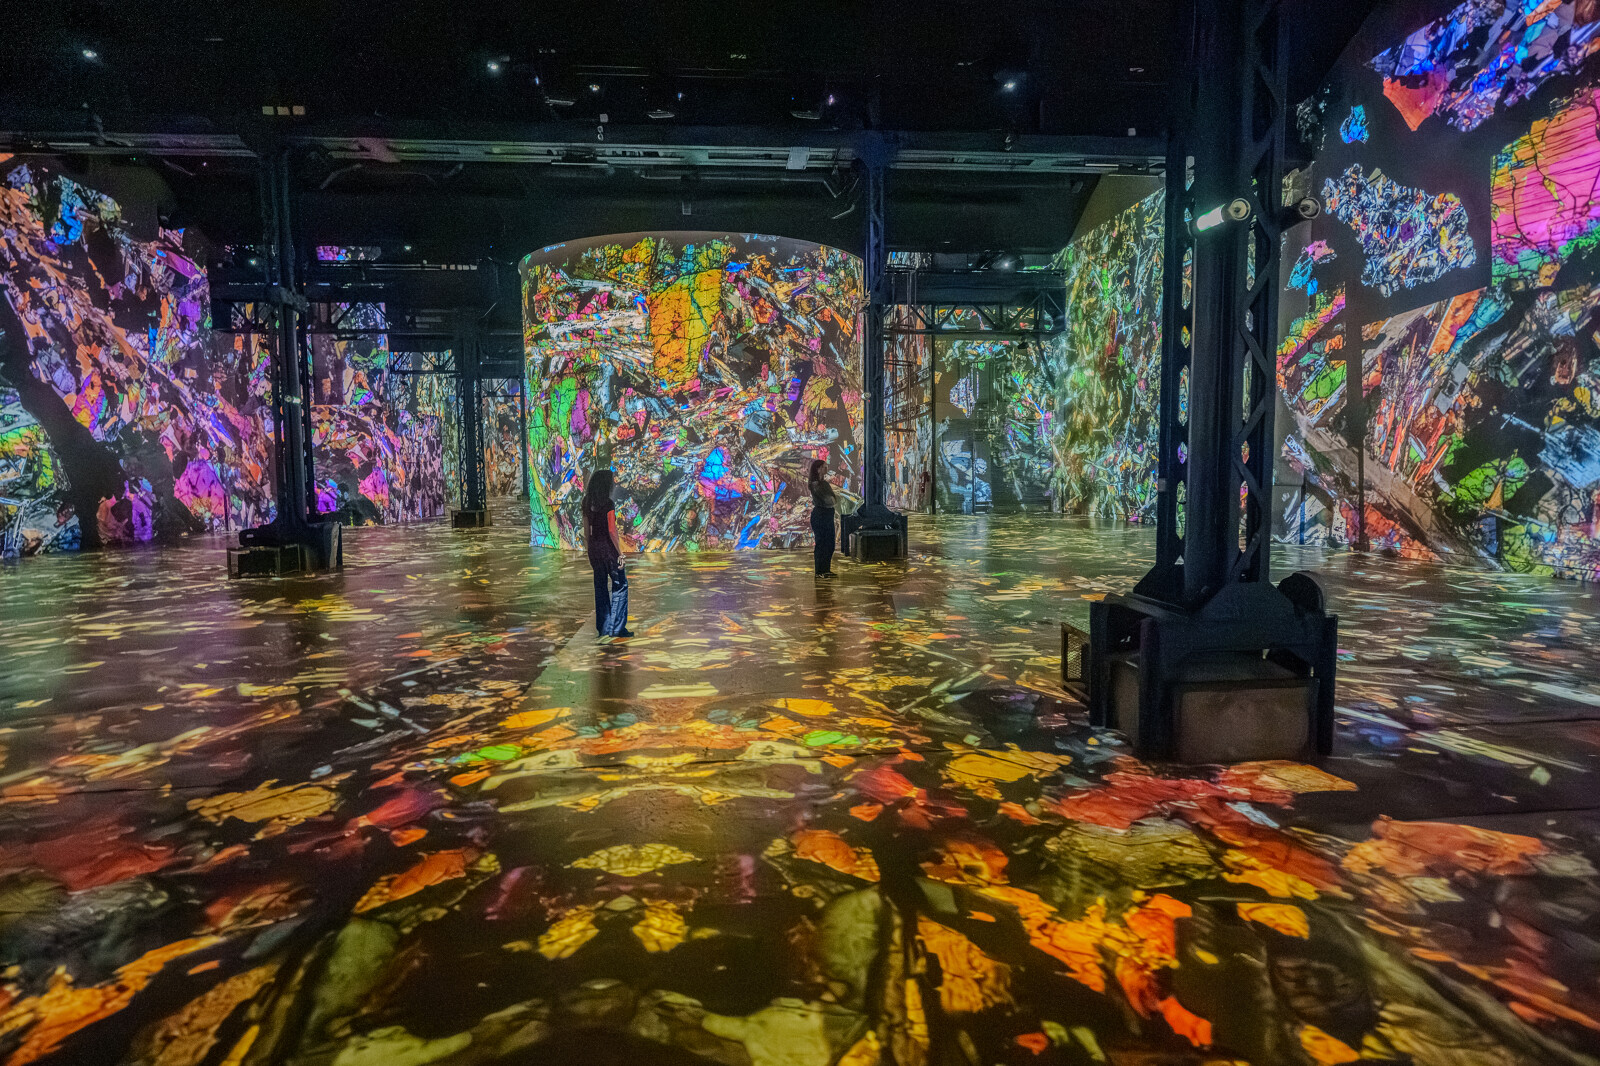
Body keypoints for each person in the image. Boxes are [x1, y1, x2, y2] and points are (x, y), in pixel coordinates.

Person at [582, 469, 633, 637]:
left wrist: (590, 551)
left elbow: (586, 531)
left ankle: (603, 628)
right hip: (608, 549)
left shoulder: (587, 502)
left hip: (595, 549)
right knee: (620, 586)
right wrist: (620, 553)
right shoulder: (608, 504)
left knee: (600, 587)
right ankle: (617, 628)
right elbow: (612, 531)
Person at [807, 458, 837, 578]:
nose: (826, 469)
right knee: (821, 543)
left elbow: (832, 499)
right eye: (824, 467)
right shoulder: (816, 485)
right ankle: (820, 571)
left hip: (827, 515)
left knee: (829, 543)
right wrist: (831, 499)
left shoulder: (823, 484)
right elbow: (829, 500)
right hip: (821, 515)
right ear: (818, 469)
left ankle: (826, 569)